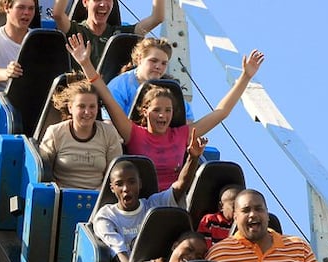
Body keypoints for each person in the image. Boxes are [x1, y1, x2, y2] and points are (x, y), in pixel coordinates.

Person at [68, 33, 264, 191]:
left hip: (172, 198)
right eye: (157, 110)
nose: (163, 115)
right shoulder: (134, 133)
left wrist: (245, 77)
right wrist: (86, 64)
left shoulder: (181, 135)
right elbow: (107, 98)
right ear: (144, 111)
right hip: (141, 197)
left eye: (168, 110)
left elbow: (221, 112)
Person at [92, 129, 206, 262]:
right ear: (112, 188)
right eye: (119, 184)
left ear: (140, 184)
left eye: (131, 182)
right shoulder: (107, 215)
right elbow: (120, 253)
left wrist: (192, 158)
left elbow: (180, 186)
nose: (126, 188)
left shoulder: (153, 204)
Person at [38, 77, 122, 190]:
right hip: (62, 197)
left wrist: (101, 193)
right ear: (70, 107)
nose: (87, 112)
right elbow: (43, 171)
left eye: (92, 106)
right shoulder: (55, 132)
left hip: (98, 198)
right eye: (81, 106)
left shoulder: (109, 133)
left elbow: (114, 173)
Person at [52, 0, 164, 69]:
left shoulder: (120, 35)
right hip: (81, 97)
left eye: (108, 0)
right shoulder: (74, 30)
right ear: (85, 2)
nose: (103, 4)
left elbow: (157, 18)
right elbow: (58, 14)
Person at [105, 37, 194, 121]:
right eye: (153, 61)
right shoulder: (120, 85)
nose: (158, 66)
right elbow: (109, 123)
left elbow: (187, 119)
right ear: (140, 59)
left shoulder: (169, 88)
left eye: (164, 63)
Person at [197, 184, 243, 248]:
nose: (238, 211)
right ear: (221, 206)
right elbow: (203, 247)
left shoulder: (244, 224)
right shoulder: (210, 220)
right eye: (234, 206)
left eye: (242, 208)